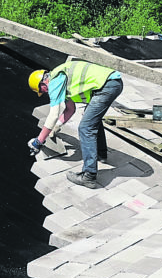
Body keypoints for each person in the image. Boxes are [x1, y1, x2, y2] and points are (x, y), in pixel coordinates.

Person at [28, 60, 123, 189]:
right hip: (112, 83)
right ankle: (101, 154)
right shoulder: (61, 78)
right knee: (91, 119)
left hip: (106, 86)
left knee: (85, 127)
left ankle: (89, 176)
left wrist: (38, 142)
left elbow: (53, 115)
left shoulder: (55, 81)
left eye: (42, 90)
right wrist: (57, 127)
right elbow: (70, 110)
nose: (45, 93)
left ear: (43, 83)